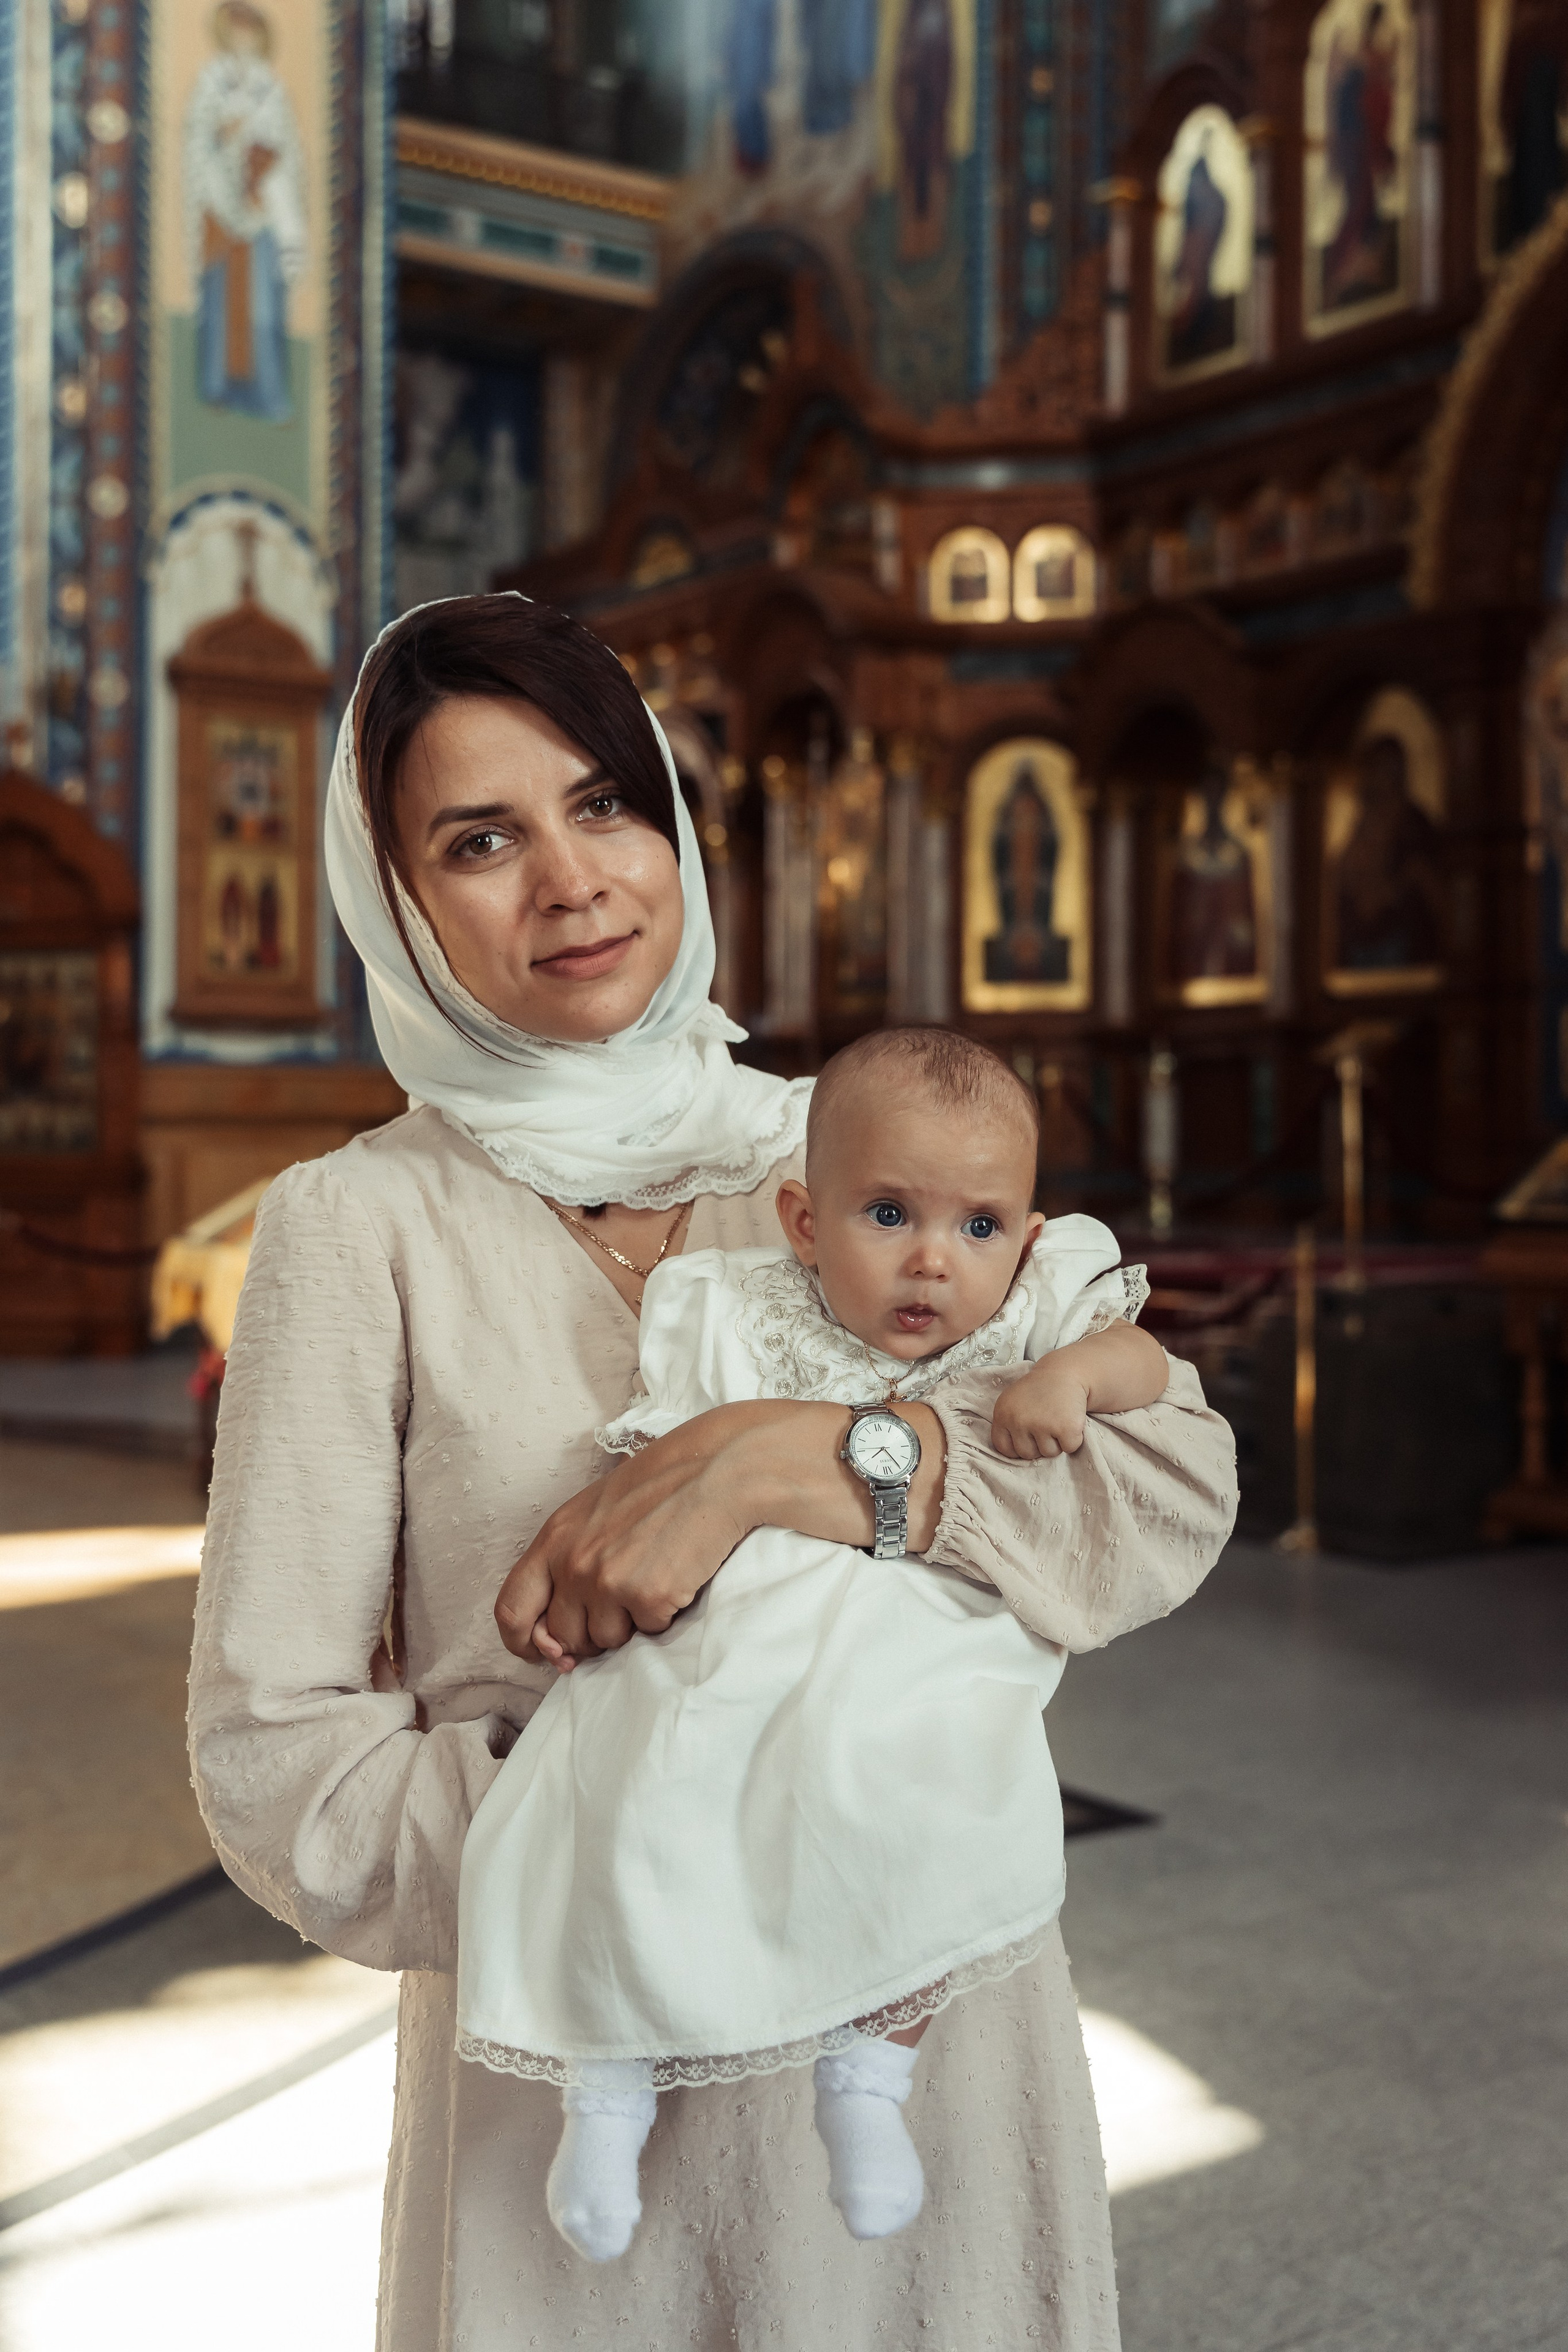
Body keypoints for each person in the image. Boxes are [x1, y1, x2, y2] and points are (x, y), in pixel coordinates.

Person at [188, 592, 1238, 2351]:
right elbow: (270, 1756)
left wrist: (801, 1456)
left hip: (926, 2028)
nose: (573, 881)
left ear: (673, 822)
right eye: (480, 840)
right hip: (582, 2107)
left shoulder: (853, 1150)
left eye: (605, 805)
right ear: (397, 899)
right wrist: (610, 1838)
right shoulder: (360, 1228)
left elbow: (1168, 1490)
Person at [457, 1027, 1170, 2262]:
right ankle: (605, 2091)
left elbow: (1153, 1381)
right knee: (629, 1789)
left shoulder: (1042, 1304)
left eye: (980, 1227)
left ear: (1028, 1234)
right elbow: (652, 1487)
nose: (934, 1261)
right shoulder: (730, 1310)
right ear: (801, 1219)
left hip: (917, 1638)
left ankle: (866, 2083)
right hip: (735, 1634)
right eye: (886, 1214)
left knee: (923, 1793)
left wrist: (1076, 1379)